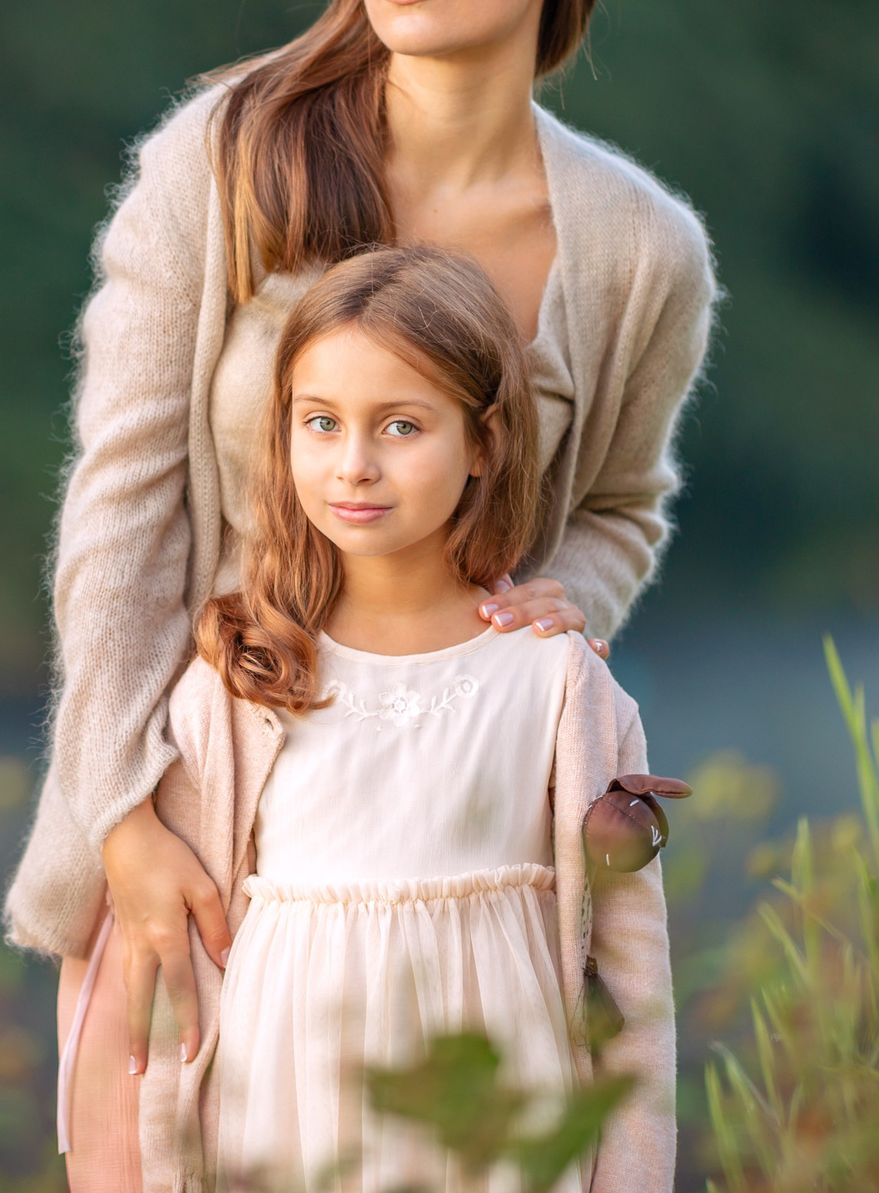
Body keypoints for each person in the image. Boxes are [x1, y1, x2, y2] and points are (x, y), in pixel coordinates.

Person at [3, 0, 716, 1181]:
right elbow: (122, 507)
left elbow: (625, 507)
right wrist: (122, 811)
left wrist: (555, 596)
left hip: (467, 871)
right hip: (202, 826)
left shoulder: (642, 250)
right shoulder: (222, 159)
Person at [73, 246, 676, 1191]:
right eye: (321, 423)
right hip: (287, 1112)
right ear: (284, 436)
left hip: (504, 1117)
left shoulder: (561, 683)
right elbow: (173, 965)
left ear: (483, 443)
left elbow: (632, 978)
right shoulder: (244, 679)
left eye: (400, 425)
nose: (354, 465)